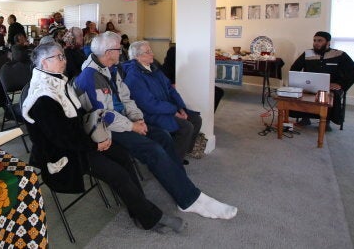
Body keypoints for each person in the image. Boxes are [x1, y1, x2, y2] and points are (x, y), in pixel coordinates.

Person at [21, 42, 186, 233]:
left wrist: (100, 136)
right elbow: (61, 139)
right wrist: (95, 144)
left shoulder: (58, 82)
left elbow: (80, 115)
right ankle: (150, 217)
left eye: (63, 56)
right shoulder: (42, 97)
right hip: (64, 154)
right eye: (58, 57)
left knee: (123, 155)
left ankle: (140, 212)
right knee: (118, 174)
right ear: (44, 63)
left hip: (80, 141)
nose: (64, 60)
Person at [74, 31, 237, 220]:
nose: (122, 52)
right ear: (108, 52)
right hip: (108, 128)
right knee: (153, 149)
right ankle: (189, 199)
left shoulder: (112, 68)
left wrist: (137, 118)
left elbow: (126, 97)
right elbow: (106, 116)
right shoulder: (91, 76)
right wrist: (133, 126)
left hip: (124, 120)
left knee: (163, 137)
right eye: (119, 49)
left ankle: (182, 184)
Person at [122, 41, 202, 163]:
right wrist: (174, 111)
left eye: (151, 50)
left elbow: (170, 89)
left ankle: (180, 153)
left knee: (196, 119)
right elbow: (148, 104)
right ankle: (172, 163)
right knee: (186, 127)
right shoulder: (134, 76)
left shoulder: (153, 68)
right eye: (148, 52)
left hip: (167, 108)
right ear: (137, 56)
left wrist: (181, 107)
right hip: (150, 114)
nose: (152, 54)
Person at [290, 31, 354, 129]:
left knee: (331, 95)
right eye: (314, 40)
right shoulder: (307, 54)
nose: (316, 43)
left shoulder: (339, 54)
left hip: (331, 87)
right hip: (310, 85)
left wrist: (341, 84)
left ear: (328, 42)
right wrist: (299, 82)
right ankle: (305, 118)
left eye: (320, 40)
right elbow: (294, 68)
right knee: (299, 91)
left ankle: (326, 120)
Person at [162, 45, 224, 112]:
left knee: (219, 91)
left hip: (187, 86)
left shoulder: (179, 65)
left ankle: (210, 113)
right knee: (215, 93)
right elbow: (172, 86)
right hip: (180, 91)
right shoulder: (166, 69)